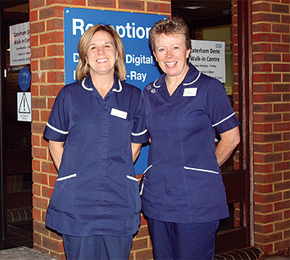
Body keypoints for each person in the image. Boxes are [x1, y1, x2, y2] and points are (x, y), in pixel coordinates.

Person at [43, 24, 148, 260]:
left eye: (107, 46)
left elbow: (135, 146)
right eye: (94, 47)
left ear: (117, 53)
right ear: (85, 57)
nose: (101, 52)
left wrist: (115, 172)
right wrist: (72, 175)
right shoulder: (69, 95)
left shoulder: (133, 96)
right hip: (77, 203)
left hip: (119, 200)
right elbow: (55, 143)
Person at [141, 17, 241, 259]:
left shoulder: (209, 88)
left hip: (197, 201)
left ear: (187, 50)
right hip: (158, 200)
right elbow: (154, 138)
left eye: (175, 47)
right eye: (161, 49)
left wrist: (203, 168)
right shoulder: (150, 92)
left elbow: (232, 137)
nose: (168, 55)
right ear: (154, 54)